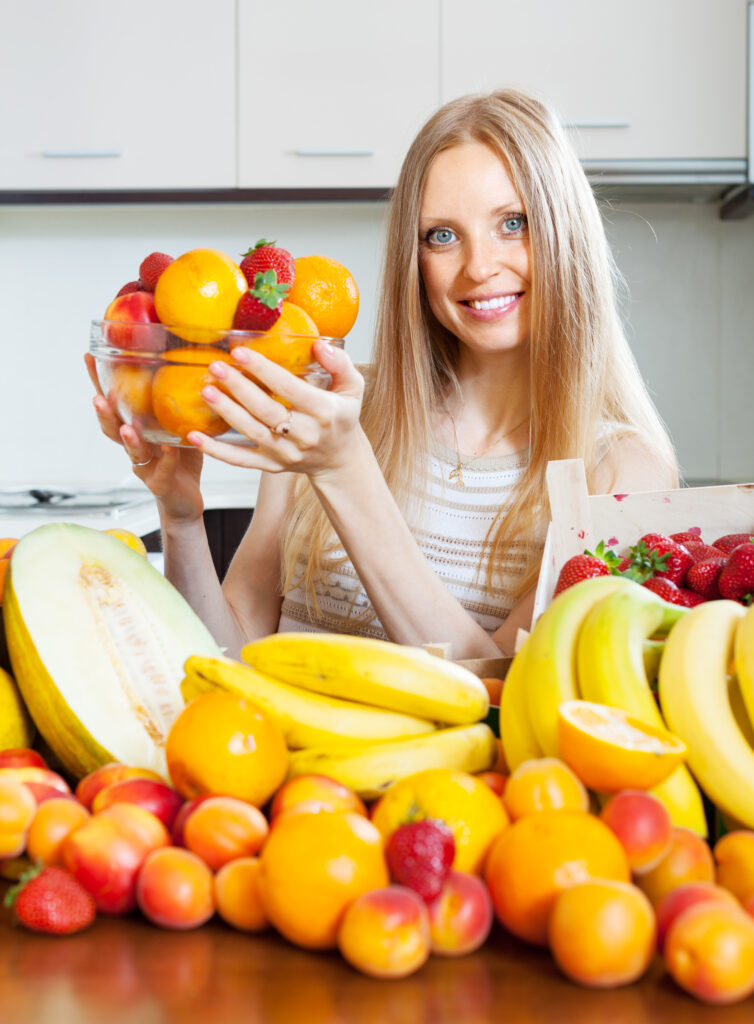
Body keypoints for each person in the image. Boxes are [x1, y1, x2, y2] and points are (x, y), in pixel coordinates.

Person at [86, 88, 678, 660]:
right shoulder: (325, 407)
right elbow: (230, 658)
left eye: (513, 223)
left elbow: (496, 697)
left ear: (565, 233)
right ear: (413, 259)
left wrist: (345, 470)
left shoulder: (623, 473)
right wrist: (182, 516)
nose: (479, 266)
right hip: (275, 763)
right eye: (441, 236)